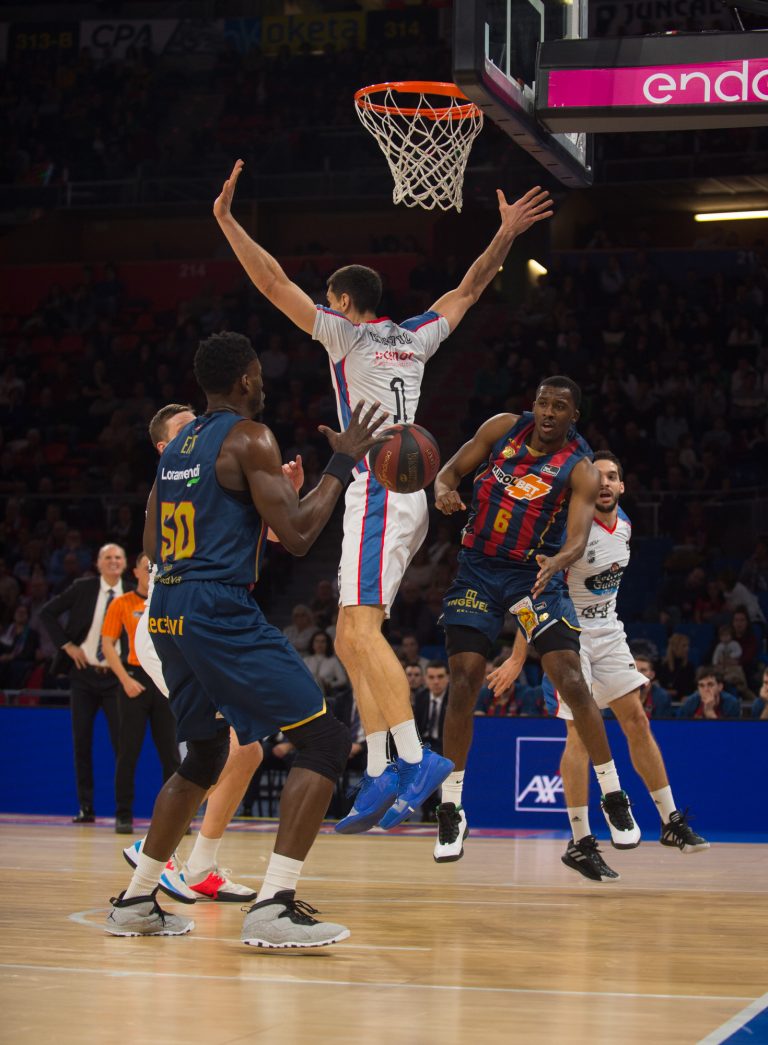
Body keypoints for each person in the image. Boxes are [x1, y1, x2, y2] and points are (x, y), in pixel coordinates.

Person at [213, 159, 552, 834]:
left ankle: (411, 755)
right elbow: (472, 285)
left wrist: (226, 221)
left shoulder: (345, 335)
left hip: (380, 484)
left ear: (340, 300)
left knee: (360, 630)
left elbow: (271, 280)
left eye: (327, 297)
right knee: (346, 634)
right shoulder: (416, 335)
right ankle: (376, 771)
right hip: (406, 489)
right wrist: (506, 232)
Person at [105, 331, 386, 945]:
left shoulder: (177, 444)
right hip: (215, 607)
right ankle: (273, 907)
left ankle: (134, 903)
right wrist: (342, 462)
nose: (262, 383)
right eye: (258, 374)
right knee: (325, 740)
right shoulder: (250, 436)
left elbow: (152, 546)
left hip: (168, 607)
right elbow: (304, 535)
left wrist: (245, 516)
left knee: (204, 756)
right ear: (245, 380)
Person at [432, 378, 639, 863]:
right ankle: (452, 807)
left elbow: (577, 537)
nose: (549, 411)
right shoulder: (501, 429)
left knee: (569, 676)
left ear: (573, 417)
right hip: (478, 572)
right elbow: (448, 472)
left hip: (533, 576)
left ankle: (612, 795)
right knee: (464, 679)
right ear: (533, 406)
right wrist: (443, 488)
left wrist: (558, 561)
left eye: (560, 406)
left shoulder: (580, 469)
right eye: (544, 403)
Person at [490, 452, 709, 882]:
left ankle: (669, 822)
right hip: (568, 637)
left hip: (608, 631)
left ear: (622, 487)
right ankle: (580, 841)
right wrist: (518, 656)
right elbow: (536, 593)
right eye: (598, 477)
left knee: (637, 720)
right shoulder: (572, 527)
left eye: (612, 476)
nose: (605, 483)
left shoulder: (624, 523)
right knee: (580, 734)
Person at [126, 401, 299, 903]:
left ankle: (199, 865)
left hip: (194, 619)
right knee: (220, 747)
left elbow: (271, 533)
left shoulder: (209, 471)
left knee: (246, 750)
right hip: (175, 621)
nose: (201, 434)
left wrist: (287, 493)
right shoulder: (175, 479)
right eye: (186, 430)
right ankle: (156, 852)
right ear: (165, 448)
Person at [39, 543, 129, 822]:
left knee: (122, 745)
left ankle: (123, 810)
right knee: (82, 743)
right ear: (98, 563)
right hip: (83, 675)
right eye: (108, 558)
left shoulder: (137, 591)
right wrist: (67, 645)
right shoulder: (83, 588)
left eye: (118, 558)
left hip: (117, 677)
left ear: (125, 564)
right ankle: (86, 807)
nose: (113, 562)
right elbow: (47, 613)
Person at [99, 551, 180, 834]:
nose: (150, 572)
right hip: (132, 680)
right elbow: (108, 644)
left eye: (154, 568)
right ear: (135, 572)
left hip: (163, 680)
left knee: (170, 753)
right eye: (146, 568)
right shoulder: (121, 603)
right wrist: (124, 680)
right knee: (127, 752)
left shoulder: (167, 601)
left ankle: (176, 818)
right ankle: (123, 815)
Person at [302, 630, 348, 696]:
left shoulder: (333, 661)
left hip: (324, 693)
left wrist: (330, 684)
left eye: (323, 642)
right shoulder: (306, 660)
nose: (319, 644)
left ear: (327, 644)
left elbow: (343, 680)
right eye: (317, 641)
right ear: (312, 643)